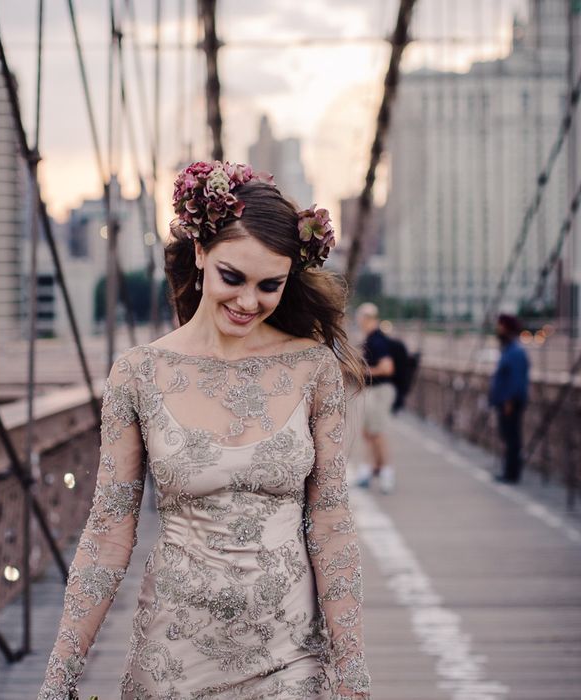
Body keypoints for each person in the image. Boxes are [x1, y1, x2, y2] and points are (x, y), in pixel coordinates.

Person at [38, 161, 371, 699]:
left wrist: (352, 674)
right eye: (232, 278)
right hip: (173, 660)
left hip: (291, 658)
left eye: (271, 286)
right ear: (199, 253)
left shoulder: (314, 370)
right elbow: (107, 533)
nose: (248, 303)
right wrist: (59, 677)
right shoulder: (137, 373)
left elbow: (330, 524)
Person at [353, 303, 396, 494]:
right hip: (374, 391)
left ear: (366, 318)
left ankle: (386, 472)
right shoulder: (373, 339)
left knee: (377, 433)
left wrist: (361, 371)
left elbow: (387, 368)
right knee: (369, 433)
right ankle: (368, 471)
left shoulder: (377, 340)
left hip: (379, 391)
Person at [488, 313, 530, 484]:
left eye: (501, 326)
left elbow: (515, 380)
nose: (498, 329)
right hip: (506, 402)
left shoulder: (515, 352)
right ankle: (509, 470)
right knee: (508, 437)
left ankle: (512, 473)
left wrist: (509, 401)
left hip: (510, 403)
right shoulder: (509, 349)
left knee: (512, 438)